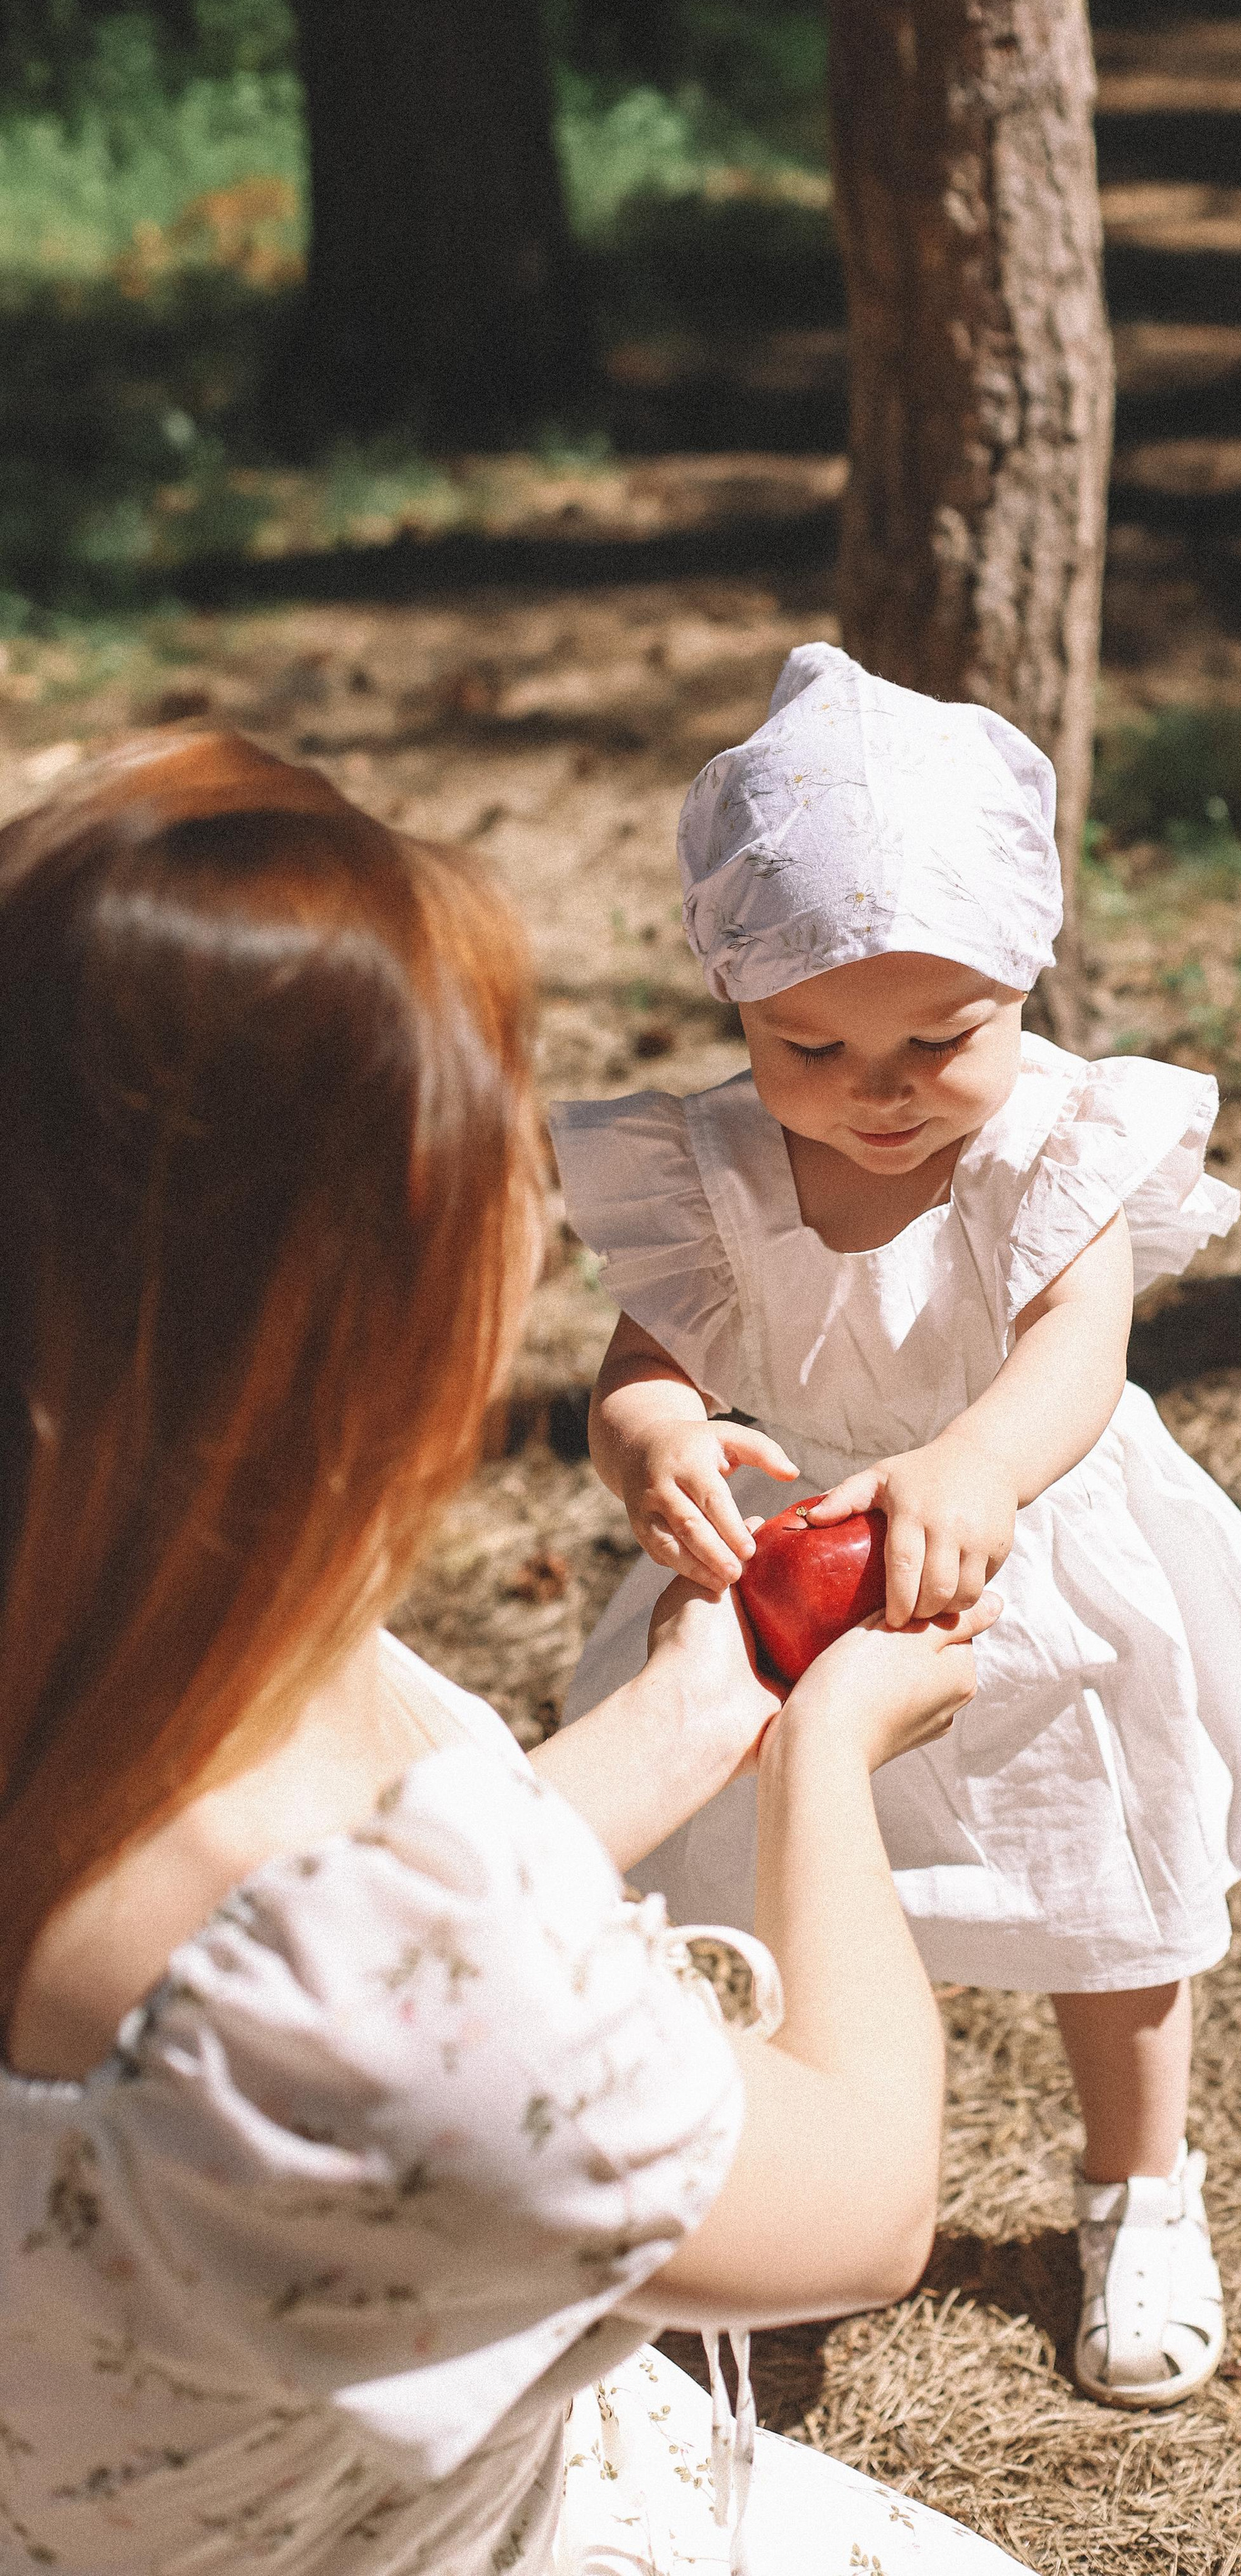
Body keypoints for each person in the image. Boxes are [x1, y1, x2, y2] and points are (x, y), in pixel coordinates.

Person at [0, 729, 1030, 2575]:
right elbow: (867, 2203)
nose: (543, 1219)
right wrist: (828, 1763)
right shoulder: (361, 2015)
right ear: (363, 1291)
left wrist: (700, 1700)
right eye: (501, 1149)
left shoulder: (125, 1628)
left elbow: (366, 1900)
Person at [554, 644, 1241, 2414]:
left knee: (1106, 1891)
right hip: (775, 1589)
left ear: (1022, 975)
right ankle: (745, 2173)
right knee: (726, 1892)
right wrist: (655, 1437)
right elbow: (640, 1361)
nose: (879, 1086)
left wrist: (976, 1467)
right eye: (808, 1044)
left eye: (940, 1036)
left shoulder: (1058, 1144)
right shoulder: (709, 1170)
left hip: (1022, 1554)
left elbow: (1077, 1353)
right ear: (735, 1004)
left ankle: (1140, 2185)